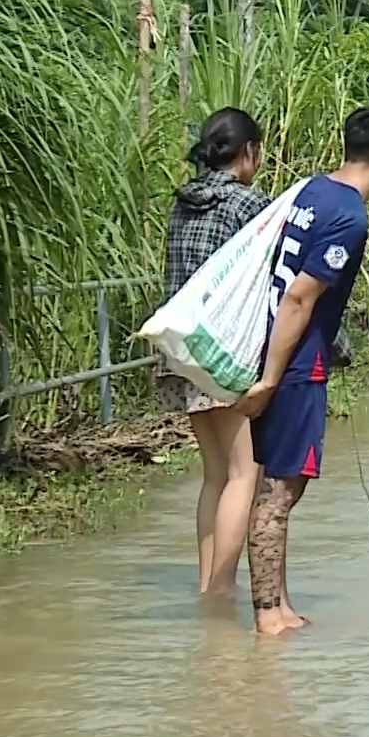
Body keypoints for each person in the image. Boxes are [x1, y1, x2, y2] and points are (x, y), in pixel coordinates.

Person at [234, 104, 369, 636]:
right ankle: (267, 618)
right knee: (280, 492)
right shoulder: (350, 216)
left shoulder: (311, 190)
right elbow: (298, 300)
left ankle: (279, 604)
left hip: (280, 355)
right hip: (292, 365)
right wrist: (269, 378)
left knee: (278, 485)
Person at [157, 107, 270, 595]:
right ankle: (222, 593)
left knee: (214, 475)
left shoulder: (181, 203)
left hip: (182, 351)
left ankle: (209, 587)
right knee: (246, 473)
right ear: (248, 152)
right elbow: (276, 283)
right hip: (226, 355)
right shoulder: (250, 206)